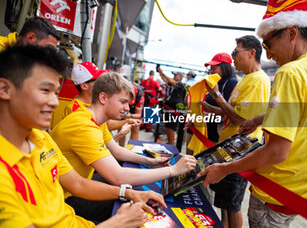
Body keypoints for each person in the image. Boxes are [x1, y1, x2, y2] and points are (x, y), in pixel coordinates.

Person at [199, 0, 307, 227]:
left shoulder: (291, 72)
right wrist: (263, 118)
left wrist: (225, 169)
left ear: (291, 33)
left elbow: (276, 152)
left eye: (268, 43)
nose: (267, 54)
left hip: (280, 189)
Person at [0, 45, 166, 228]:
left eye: (56, 93)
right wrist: (118, 223)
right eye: (45, 91)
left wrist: (129, 193)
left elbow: (78, 183)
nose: (55, 102)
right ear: (5, 89)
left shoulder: (41, 139)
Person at [50, 72, 197, 222]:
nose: (127, 108)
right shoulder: (84, 126)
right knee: (138, 208)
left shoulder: (92, 118)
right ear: (103, 98)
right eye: (123, 102)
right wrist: (173, 170)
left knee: (131, 190)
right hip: (64, 198)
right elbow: (118, 177)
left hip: (76, 186)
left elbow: (116, 150)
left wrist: (150, 162)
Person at [202, 35, 270, 228]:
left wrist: (216, 96)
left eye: (235, 52)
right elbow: (235, 112)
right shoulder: (247, 79)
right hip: (231, 145)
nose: (233, 58)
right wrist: (213, 107)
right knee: (225, 201)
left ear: (252, 52)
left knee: (232, 203)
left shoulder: (258, 80)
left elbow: (241, 120)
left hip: (241, 148)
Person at [203, 53, 238, 143]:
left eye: (214, 68)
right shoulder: (215, 83)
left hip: (219, 132)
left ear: (225, 68)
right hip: (209, 129)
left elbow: (228, 111)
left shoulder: (231, 82)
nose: (211, 71)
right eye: (210, 69)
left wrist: (209, 109)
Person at [157, 67, 187, 145]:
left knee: (171, 131)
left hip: (174, 111)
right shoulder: (174, 85)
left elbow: (169, 80)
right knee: (168, 129)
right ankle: (170, 146)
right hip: (170, 109)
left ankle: (172, 148)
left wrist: (162, 73)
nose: (174, 76)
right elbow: (166, 80)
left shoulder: (180, 84)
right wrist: (160, 73)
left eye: (175, 75)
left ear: (180, 77)